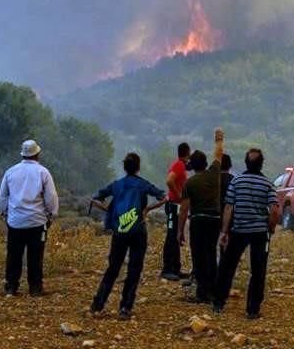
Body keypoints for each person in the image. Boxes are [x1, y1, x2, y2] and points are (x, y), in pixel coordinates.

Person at [90, 152, 167, 319]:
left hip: (120, 232)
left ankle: (98, 304)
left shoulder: (116, 185)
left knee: (113, 268)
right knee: (134, 268)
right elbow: (163, 197)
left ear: (124, 167)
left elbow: (96, 198)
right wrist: (147, 210)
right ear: (138, 167)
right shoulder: (143, 184)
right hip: (138, 230)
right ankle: (125, 307)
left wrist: (110, 211)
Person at [213, 148, 279, 319]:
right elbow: (274, 210)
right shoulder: (268, 184)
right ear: (261, 164)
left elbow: (228, 207)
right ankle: (252, 309)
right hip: (259, 232)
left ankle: (218, 303)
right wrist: (271, 227)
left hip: (238, 230)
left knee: (227, 267)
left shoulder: (237, 181)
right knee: (258, 270)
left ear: (246, 163)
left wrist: (224, 231)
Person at [0, 139, 59, 296]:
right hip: (37, 221)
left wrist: (4, 213)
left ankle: (11, 286)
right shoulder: (43, 172)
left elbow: (3, 197)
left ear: (23, 154)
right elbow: (51, 197)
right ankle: (35, 288)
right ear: (37, 154)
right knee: (35, 256)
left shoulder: (11, 172)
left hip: (15, 221)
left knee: (14, 255)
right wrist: (51, 214)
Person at [178, 129, 225, 303]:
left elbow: (184, 210)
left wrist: (180, 231)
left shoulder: (189, 183)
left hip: (197, 220)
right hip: (214, 220)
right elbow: (219, 154)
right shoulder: (214, 174)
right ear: (205, 163)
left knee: (198, 255)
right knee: (211, 254)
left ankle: (201, 292)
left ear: (193, 166)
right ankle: (212, 291)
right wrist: (219, 139)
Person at [162, 142, 191, 280]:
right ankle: (167, 269)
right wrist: (178, 196)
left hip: (175, 205)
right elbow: (169, 180)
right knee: (171, 236)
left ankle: (175, 268)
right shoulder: (179, 165)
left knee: (175, 236)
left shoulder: (181, 166)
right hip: (173, 205)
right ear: (187, 153)